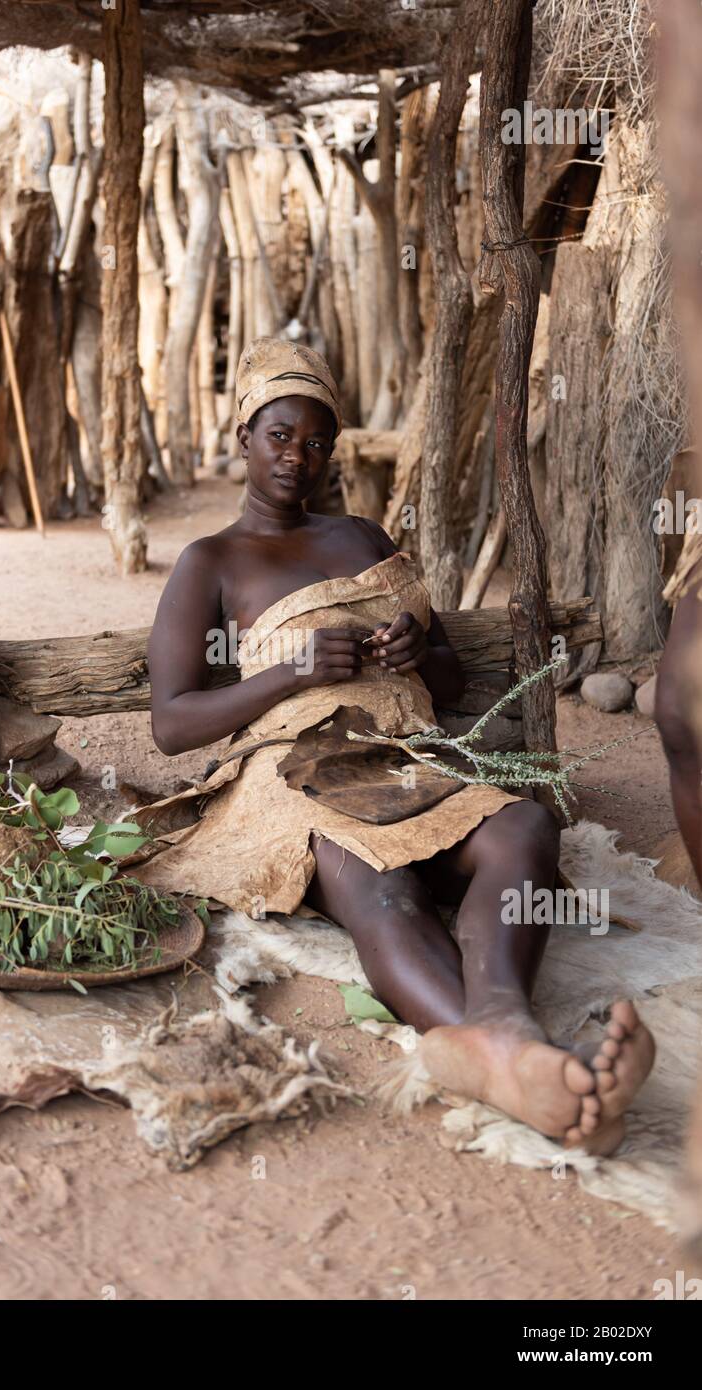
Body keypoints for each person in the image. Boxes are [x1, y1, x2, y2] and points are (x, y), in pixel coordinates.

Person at [130, 336, 654, 1153]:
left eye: (314, 442)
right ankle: (529, 1061)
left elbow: (442, 683)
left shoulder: (362, 539)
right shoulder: (212, 562)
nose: (296, 458)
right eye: (278, 436)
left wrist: (419, 653)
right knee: (385, 887)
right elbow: (172, 724)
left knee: (521, 828)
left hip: (405, 756)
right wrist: (290, 675)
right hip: (294, 769)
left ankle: (499, 1038)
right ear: (242, 437)